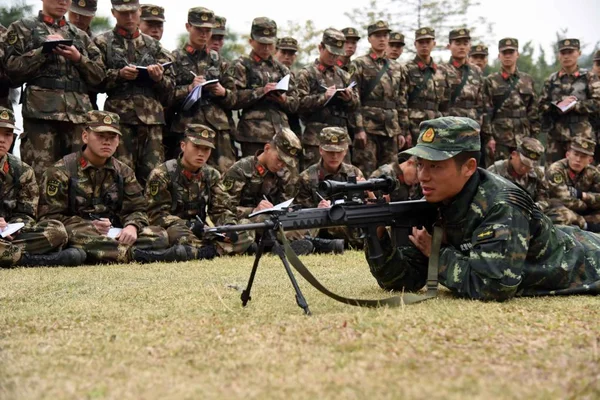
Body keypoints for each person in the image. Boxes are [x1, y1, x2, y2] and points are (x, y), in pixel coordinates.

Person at [366, 116, 600, 300]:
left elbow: (494, 286)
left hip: (589, 261)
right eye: (420, 165)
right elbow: (402, 281)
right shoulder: (438, 200)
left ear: (468, 167)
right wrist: (377, 235)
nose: (423, 176)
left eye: (435, 166)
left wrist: (436, 252)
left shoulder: (502, 205)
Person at [38, 110, 189, 265]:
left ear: (118, 141)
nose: (106, 142)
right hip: (80, 232)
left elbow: (137, 209)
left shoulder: (123, 172)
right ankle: (138, 255)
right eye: (100, 136)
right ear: (85, 136)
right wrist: (90, 225)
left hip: (114, 233)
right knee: (66, 234)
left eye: (112, 137)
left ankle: (105, 253)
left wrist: (132, 226)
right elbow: (49, 218)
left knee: (160, 235)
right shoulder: (61, 171)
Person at [3, 0, 105, 181]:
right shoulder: (23, 28)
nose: (62, 2)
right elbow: (11, 72)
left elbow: (100, 77)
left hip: (77, 118)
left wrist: (78, 58)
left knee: (78, 178)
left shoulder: (79, 35)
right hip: (41, 118)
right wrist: (42, 52)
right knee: (41, 177)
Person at [93, 0, 175, 186]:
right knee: (119, 175)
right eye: (123, 13)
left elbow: (171, 91)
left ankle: (152, 214)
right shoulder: (101, 43)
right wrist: (119, 75)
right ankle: (120, 215)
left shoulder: (156, 47)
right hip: (119, 121)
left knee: (154, 177)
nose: (129, 17)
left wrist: (158, 78)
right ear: (113, 13)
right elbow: (93, 80)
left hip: (152, 123)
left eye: (132, 12)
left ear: (139, 12)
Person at [222, 128, 337, 254]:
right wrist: (253, 210)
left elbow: (286, 203)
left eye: (285, 162)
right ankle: (284, 246)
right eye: (279, 159)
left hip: (275, 223)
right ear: (267, 148)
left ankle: (280, 246)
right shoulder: (240, 170)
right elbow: (224, 210)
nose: (281, 165)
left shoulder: (285, 174)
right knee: (250, 226)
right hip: (250, 223)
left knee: (304, 220)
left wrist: (296, 210)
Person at [146, 124, 253, 258]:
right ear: (183, 146)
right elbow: (155, 215)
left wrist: (228, 226)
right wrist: (189, 225)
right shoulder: (162, 174)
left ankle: (203, 251)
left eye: (206, 149)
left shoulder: (212, 175)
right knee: (173, 234)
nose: (201, 153)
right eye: (196, 147)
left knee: (245, 227)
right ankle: (219, 250)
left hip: (204, 231)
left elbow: (221, 209)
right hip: (177, 228)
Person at [0, 107, 85, 268]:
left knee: (57, 231)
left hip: (8, 236)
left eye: (7, 134)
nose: (2, 139)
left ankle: (9, 254)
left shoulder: (21, 170)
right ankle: (30, 260)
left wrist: (13, 229)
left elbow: (26, 213)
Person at [169, 7, 236, 172]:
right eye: (199, 29)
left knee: (224, 177)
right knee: (185, 176)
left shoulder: (220, 61)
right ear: (188, 27)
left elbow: (235, 98)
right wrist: (189, 88)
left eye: (208, 30)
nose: (204, 34)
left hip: (218, 131)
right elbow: (166, 95)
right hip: (188, 128)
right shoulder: (174, 58)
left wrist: (223, 92)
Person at [229, 17, 299, 158]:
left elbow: (296, 103)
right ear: (251, 41)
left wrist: (284, 99)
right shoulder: (241, 65)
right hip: (253, 135)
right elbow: (233, 99)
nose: (266, 48)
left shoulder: (282, 69)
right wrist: (261, 91)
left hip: (281, 133)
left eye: (269, 44)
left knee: (283, 176)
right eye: (261, 43)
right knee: (254, 175)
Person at [350, 20, 409, 177]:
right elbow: (354, 99)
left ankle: (387, 201)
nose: (382, 39)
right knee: (366, 171)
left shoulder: (397, 67)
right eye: (377, 35)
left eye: (385, 35)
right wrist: (358, 129)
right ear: (369, 38)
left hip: (391, 128)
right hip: (368, 128)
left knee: (389, 172)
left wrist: (402, 130)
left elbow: (401, 100)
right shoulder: (358, 64)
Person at [296, 28, 359, 169]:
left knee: (344, 179)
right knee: (315, 180)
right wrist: (323, 97)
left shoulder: (344, 75)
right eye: (330, 53)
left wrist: (349, 99)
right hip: (316, 138)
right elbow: (298, 104)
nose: (333, 58)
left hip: (341, 137)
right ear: (320, 47)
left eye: (337, 54)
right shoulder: (307, 74)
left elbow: (356, 105)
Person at [294, 127, 363, 250]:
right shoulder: (307, 177)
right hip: (320, 227)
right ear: (321, 150)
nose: (334, 156)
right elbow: (300, 212)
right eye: (330, 151)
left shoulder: (354, 173)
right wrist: (317, 210)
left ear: (345, 151)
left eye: (338, 151)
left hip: (348, 227)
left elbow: (363, 205)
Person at [538, 39, 600, 165]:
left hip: (581, 136)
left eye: (570, 52)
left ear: (579, 53)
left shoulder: (589, 77)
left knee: (582, 176)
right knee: (553, 173)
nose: (566, 56)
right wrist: (559, 104)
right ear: (558, 55)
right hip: (556, 137)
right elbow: (541, 105)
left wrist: (575, 106)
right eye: (563, 53)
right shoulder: (551, 80)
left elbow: (597, 103)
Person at [483, 38, 540, 165]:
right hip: (500, 138)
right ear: (499, 56)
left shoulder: (527, 80)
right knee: (499, 174)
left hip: (523, 137)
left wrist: (534, 136)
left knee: (524, 173)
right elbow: (486, 111)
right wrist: (489, 137)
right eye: (504, 53)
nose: (508, 56)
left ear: (517, 54)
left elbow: (533, 110)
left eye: (511, 52)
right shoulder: (491, 81)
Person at [545, 137, 600, 232]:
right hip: (559, 209)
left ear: (590, 160)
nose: (578, 159)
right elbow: (563, 199)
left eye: (583, 156)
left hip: (582, 213)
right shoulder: (556, 170)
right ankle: (585, 226)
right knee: (564, 215)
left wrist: (583, 195)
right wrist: (587, 206)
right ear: (568, 154)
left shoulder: (593, 172)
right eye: (575, 154)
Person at [404, 27, 447, 146]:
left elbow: (445, 103)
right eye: (421, 42)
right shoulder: (407, 69)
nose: (424, 46)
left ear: (434, 44)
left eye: (427, 42)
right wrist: (405, 130)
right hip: (415, 124)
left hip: (436, 123)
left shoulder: (441, 71)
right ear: (415, 44)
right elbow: (402, 100)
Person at [487, 137, 548, 212]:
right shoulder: (495, 171)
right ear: (514, 154)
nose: (524, 168)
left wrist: (533, 209)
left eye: (529, 166)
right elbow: (485, 200)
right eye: (522, 163)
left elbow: (544, 198)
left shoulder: (537, 173)